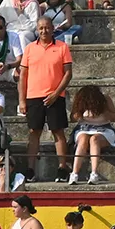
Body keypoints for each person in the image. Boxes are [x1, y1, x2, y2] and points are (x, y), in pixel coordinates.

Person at [17, 16, 72, 181]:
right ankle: (30, 169)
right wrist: (22, 100)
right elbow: (23, 76)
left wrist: (56, 93)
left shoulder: (62, 47)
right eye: (40, 28)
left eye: (47, 27)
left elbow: (68, 73)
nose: (44, 31)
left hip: (55, 96)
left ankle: (62, 168)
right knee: (34, 132)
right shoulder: (29, 49)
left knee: (58, 131)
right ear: (37, 29)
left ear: (52, 28)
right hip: (34, 96)